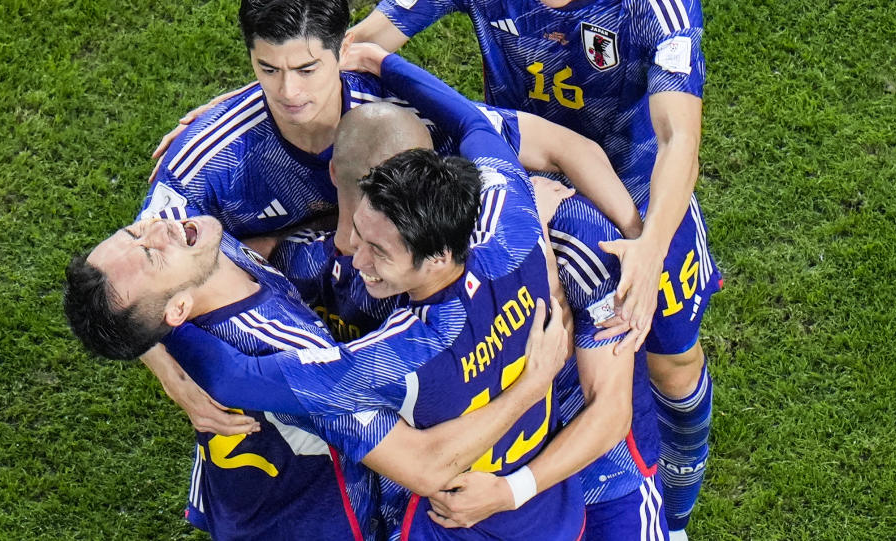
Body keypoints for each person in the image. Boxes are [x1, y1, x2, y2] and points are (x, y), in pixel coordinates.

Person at [349, 0, 720, 534]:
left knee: (671, 364)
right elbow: (361, 47)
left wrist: (649, 244)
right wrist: (241, 104)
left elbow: (676, 137)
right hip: (526, 189)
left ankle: (676, 511)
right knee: (520, 349)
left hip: (636, 214)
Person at [142, 0, 643, 437]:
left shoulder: (396, 114)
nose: (289, 91)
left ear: (342, 50)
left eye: (307, 68)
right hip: (312, 284)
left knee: (570, 226)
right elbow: (127, 272)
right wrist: (170, 368)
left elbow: (566, 147)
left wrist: (640, 242)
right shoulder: (207, 159)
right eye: (267, 69)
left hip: (410, 273)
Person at [159, 54, 588, 539]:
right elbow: (471, 121)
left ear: (438, 259)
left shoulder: (402, 353)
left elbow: (236, 376)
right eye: (361, 234)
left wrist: (159, 323)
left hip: (450, 523)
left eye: (379, 252)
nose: (356, 260)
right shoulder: (514, 224)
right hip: (551, 516)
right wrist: (381, 60)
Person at [64, 213, 567, 540]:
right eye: (152, 253)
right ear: (177, 308)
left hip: (244, 492)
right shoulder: (288, 359)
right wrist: (532, 383)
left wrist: (156, 353)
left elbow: (127, 315)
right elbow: (425, 466)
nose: (158, 226)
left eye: (132, 231)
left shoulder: (196, 260)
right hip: (307, 521)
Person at [428, 183, 667, 539]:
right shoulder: (415, 262)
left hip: (601, 465)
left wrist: (512, 491)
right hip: (496, 488)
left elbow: (610, 413)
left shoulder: (579, 237)